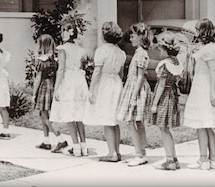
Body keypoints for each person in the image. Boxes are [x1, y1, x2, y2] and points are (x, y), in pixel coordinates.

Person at [183, 18, 215, 170]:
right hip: (204, 84)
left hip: (204, 85)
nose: (195, 32)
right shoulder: (211, 46)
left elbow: (213, 70)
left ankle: (203, 159)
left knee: (201, 124)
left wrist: (211, 93)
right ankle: (213, 159)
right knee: (207, 125)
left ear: (202, 31)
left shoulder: (208, 49)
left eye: (197, 29)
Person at [84, 21, 126, 162]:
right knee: (114, 120)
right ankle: (117, 151)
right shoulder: (121, 52)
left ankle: (112, 153)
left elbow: (97, 72)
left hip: (106, 84)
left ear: (104, 35)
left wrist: (91, 90)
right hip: (116, 83)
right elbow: (121, 73)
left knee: (108, 120)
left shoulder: (101, 51)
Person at [49, 19, 89, 157]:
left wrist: (57, 87)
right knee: (78, 114)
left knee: (69, 114)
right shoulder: (80, 50)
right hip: (79, 80)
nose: (61, 33)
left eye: (62, 30)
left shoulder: (62, 49)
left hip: (68, 81)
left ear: (67, 32)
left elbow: (61, 70)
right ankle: (84, 146)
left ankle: (76, 147)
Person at [116, 22, 152, 167]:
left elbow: (140, 77)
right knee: (137, 121)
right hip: (133, 87)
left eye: (133, 35)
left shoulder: (141, 54)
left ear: (141, 37)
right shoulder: (139, 53)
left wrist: (133, 97)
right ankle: (141, 152)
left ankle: (139, 153)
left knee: (131, 121)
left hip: (135, 90)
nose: (130, 38)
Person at [148, 31, 183, 171]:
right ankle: (174, 158)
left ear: (164, 49)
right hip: (173, 95)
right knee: (166, 129)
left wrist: (155, 104)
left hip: (164, 97)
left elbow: (161, 85)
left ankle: (169, 160)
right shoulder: (176, 62)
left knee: (164, 129)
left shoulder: (164, 64)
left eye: (160, 49)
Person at [32, 33, 68, 152]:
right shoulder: (54, 60)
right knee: (44, 115)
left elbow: (38, 78)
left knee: (45, 115)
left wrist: (33, 93)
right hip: (52, 86)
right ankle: (46, 141)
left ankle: (60, 139)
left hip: (43, 86)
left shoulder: (40, 60)